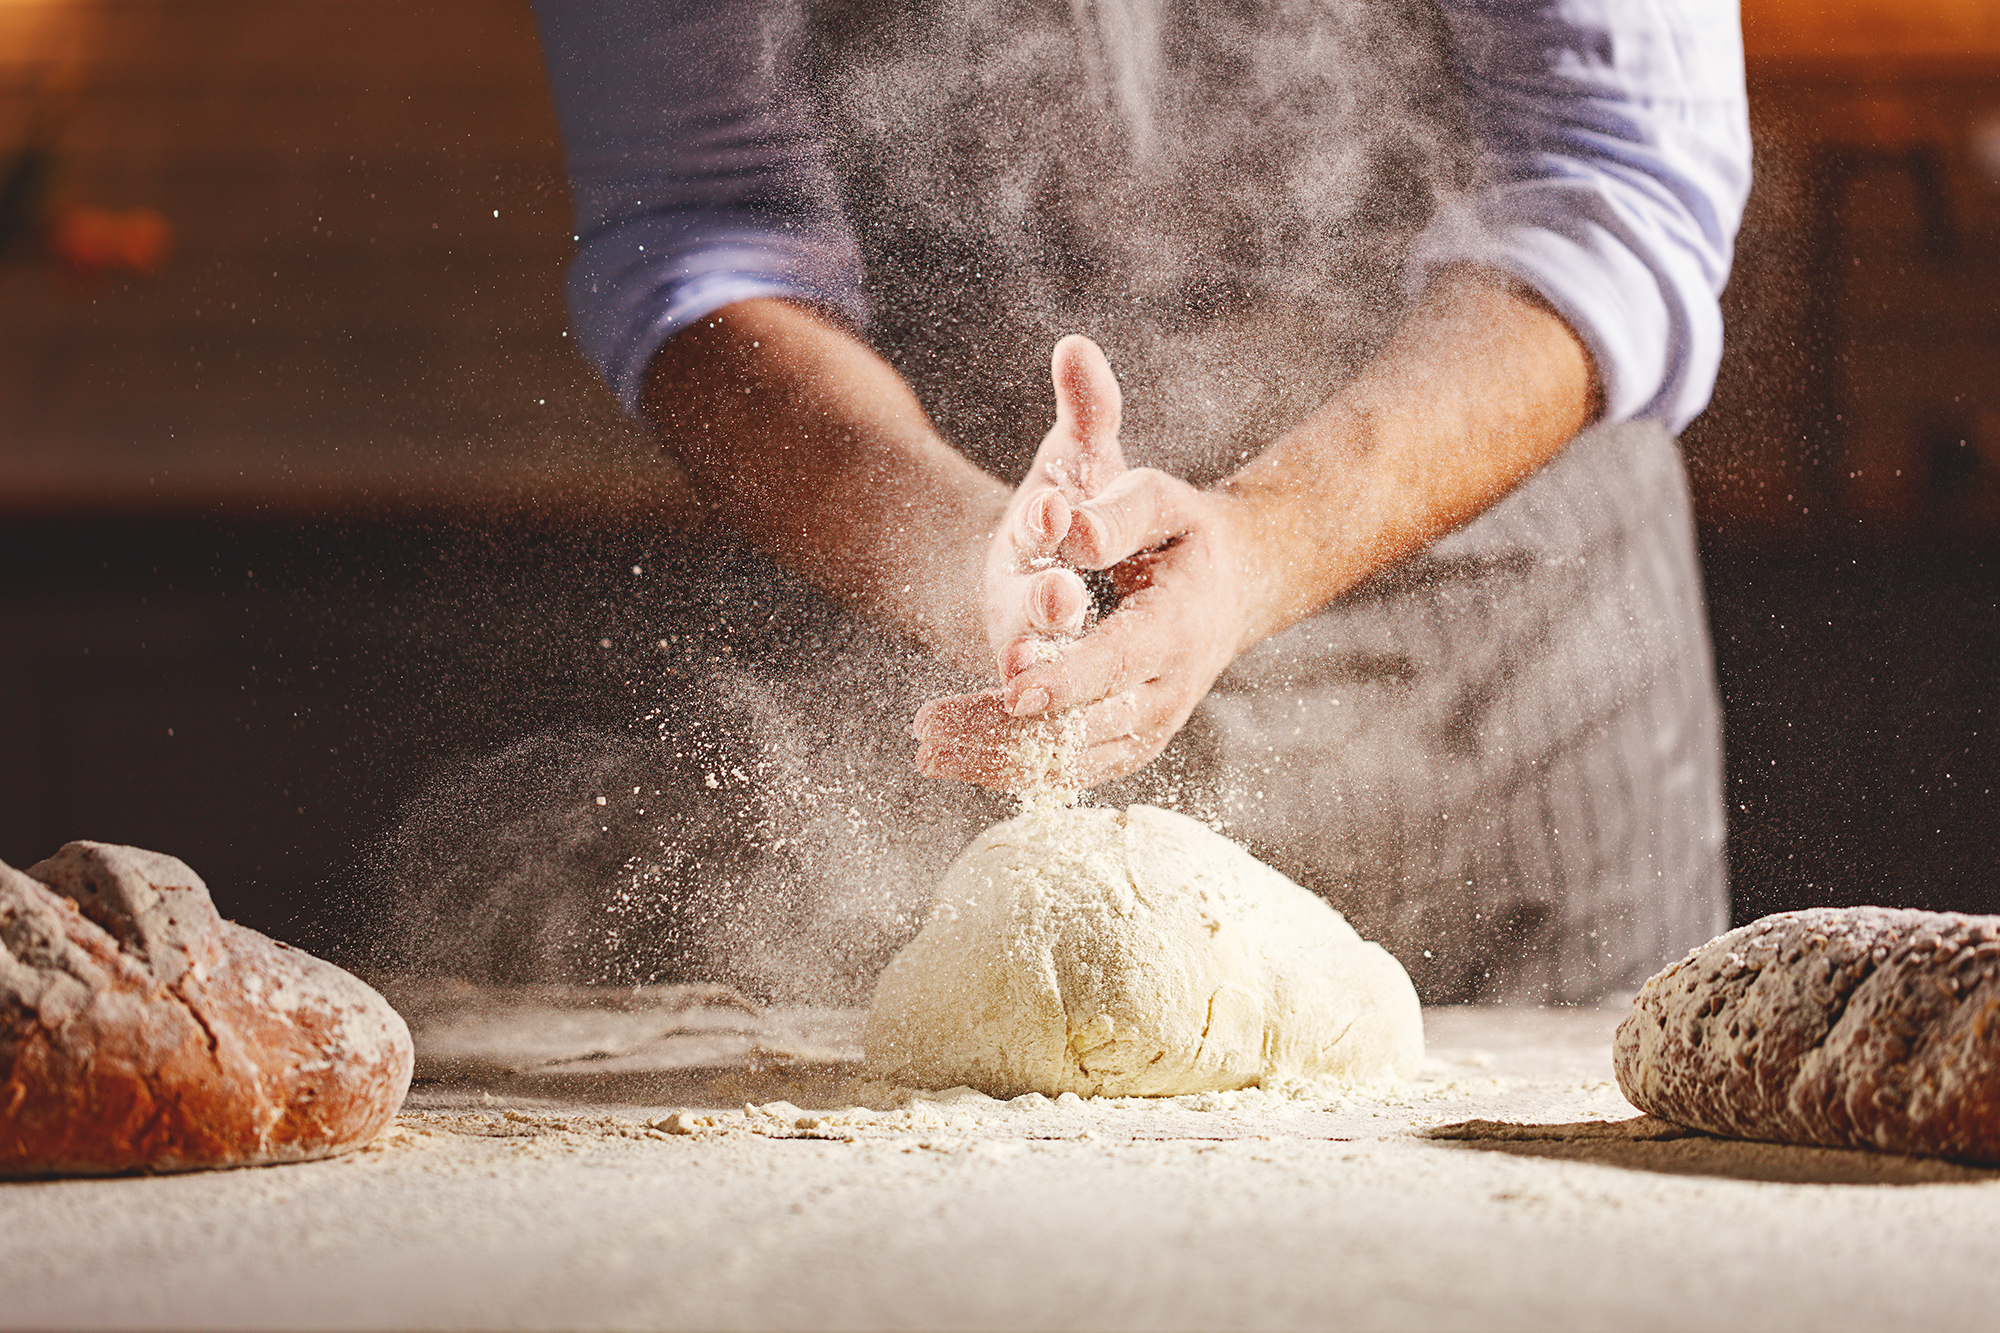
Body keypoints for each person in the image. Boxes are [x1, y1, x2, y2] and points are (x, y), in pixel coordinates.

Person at [475, 0, 1752, 1003]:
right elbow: (699, 222)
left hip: (1501, 675)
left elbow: (1611, 181)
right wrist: (961, 552)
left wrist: (1261, 546)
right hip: (965, 624)